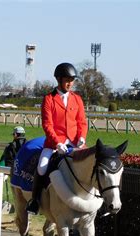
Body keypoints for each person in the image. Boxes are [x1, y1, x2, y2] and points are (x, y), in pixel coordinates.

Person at [26, 62, 88, 215]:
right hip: (54, 143)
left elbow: (82, 122)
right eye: (67, 80)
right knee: (41, 167)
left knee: (91, 165)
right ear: (59, 80)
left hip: (75, 143)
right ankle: (35, 201)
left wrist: (82, 136)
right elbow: (47, 125)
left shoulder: (77, 99)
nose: (70, 83)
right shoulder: (49, 99)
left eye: (72, 80)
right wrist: (57, 143)